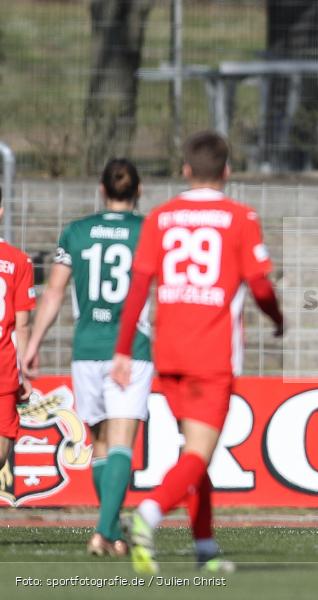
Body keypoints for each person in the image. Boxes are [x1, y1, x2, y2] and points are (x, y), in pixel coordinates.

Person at [110, 130, 284, 575]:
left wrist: (124, 350)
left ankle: (205, 545)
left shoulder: (161, 217)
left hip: (166, 353)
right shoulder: (240, 216)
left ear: (186, 170)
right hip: (211, 354)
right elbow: (261, 284)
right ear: (227, 171)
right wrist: (277, 318)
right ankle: (146, 516)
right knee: (199, 455)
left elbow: (138, 286)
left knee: (194, 452)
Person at [22, 158, 151, 557]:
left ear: (101, 188)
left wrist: (33, 343)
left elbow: (55, 292)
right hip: (130, 349)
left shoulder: (76, 232)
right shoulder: (149, 232)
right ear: (139, 190)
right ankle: (103, 530)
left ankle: (111, 533)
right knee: (122, 442)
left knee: (98, 441)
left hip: (86, 349)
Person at [0, 186, 35, 479]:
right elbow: (21, 324)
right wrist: (25, 371)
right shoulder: (19, 261)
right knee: (2, 449)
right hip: (4, 367)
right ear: (1, 211)